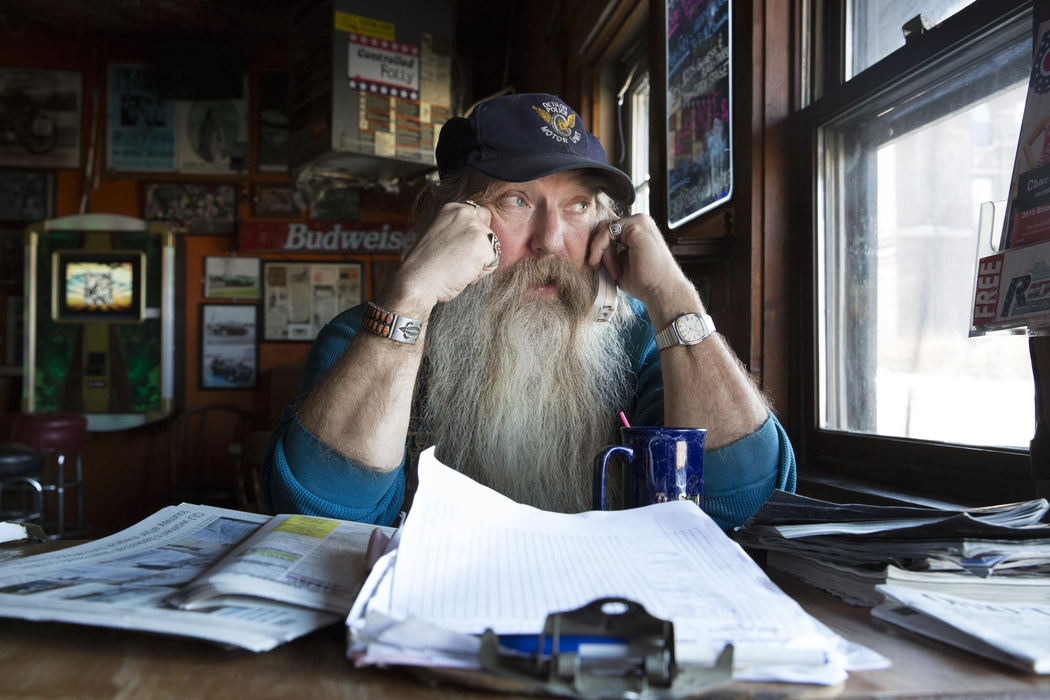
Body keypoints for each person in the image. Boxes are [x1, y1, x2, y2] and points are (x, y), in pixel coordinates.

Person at [260, 93, 796, 529]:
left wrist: (674, 298)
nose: (551, 241)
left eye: (578, 206)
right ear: (453, 219)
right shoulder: (364, 336)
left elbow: (745, 503)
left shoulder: (639, 346)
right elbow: (318, 512)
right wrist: (412, 294)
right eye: (515, 200)